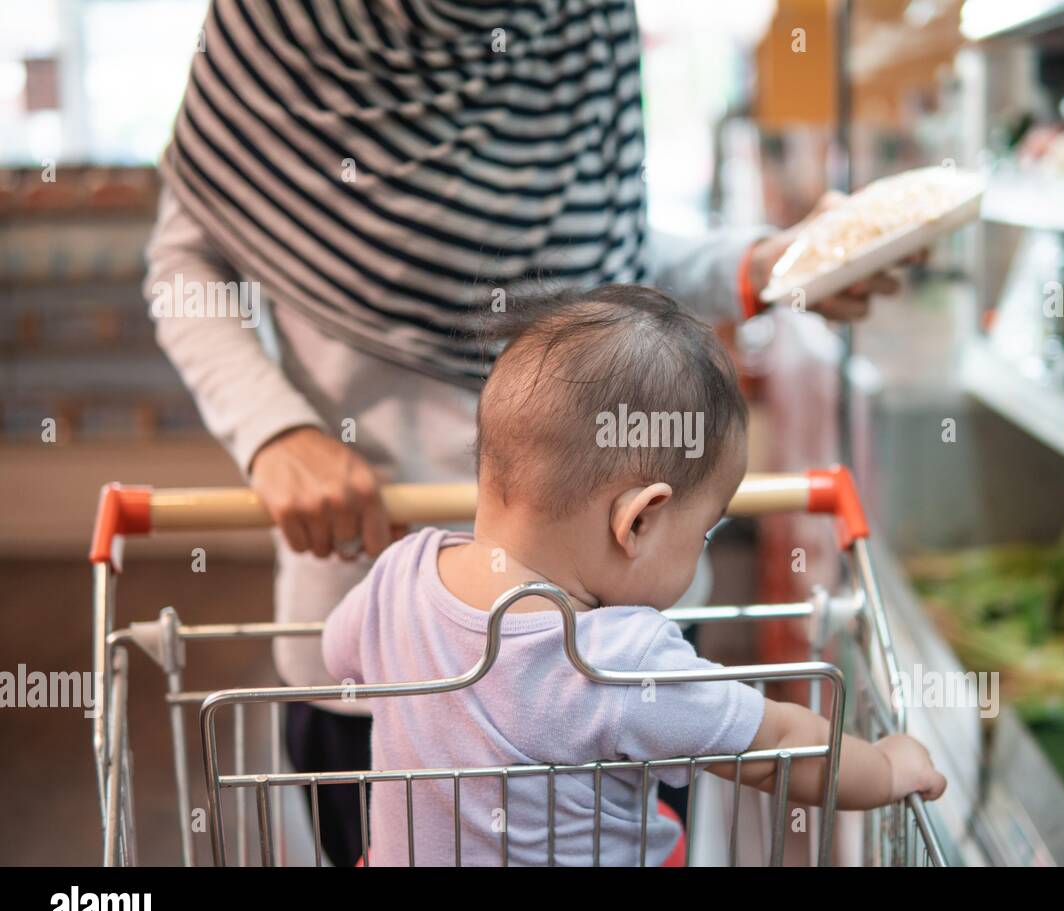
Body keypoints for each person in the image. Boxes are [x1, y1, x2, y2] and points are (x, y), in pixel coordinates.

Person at [145, 0, 893, 865]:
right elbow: (187, 252)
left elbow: (589, 255)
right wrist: (275, 431)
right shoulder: (283, 22)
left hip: (559, 619)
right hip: (384, 634)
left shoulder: (582, 18)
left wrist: (760, 267)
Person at [321, 286, 946, 866]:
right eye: (704, 532)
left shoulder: (400, 573)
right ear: (639, 522)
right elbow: (780, 745)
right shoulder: (616, 658)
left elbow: (338, 654)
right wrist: (887, 770)